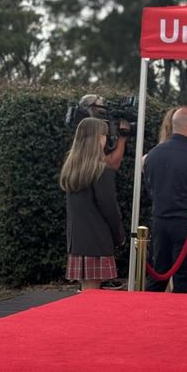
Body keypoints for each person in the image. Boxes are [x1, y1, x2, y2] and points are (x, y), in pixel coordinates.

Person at [143, 107, 187, 293]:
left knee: (157, 275)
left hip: (159, 222)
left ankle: (145, 313)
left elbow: (150, 191)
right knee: (184, 280)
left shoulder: (152, 156)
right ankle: (181, 317)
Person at [60, 117, 125, 291]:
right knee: (93, 296)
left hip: (78, 242)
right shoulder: (101, 171)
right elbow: (110, 209)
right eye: (104, 135)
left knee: (85, 292)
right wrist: (119, 236)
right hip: (98, 241)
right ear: (97, 138)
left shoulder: (71, 169)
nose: (106, 139)